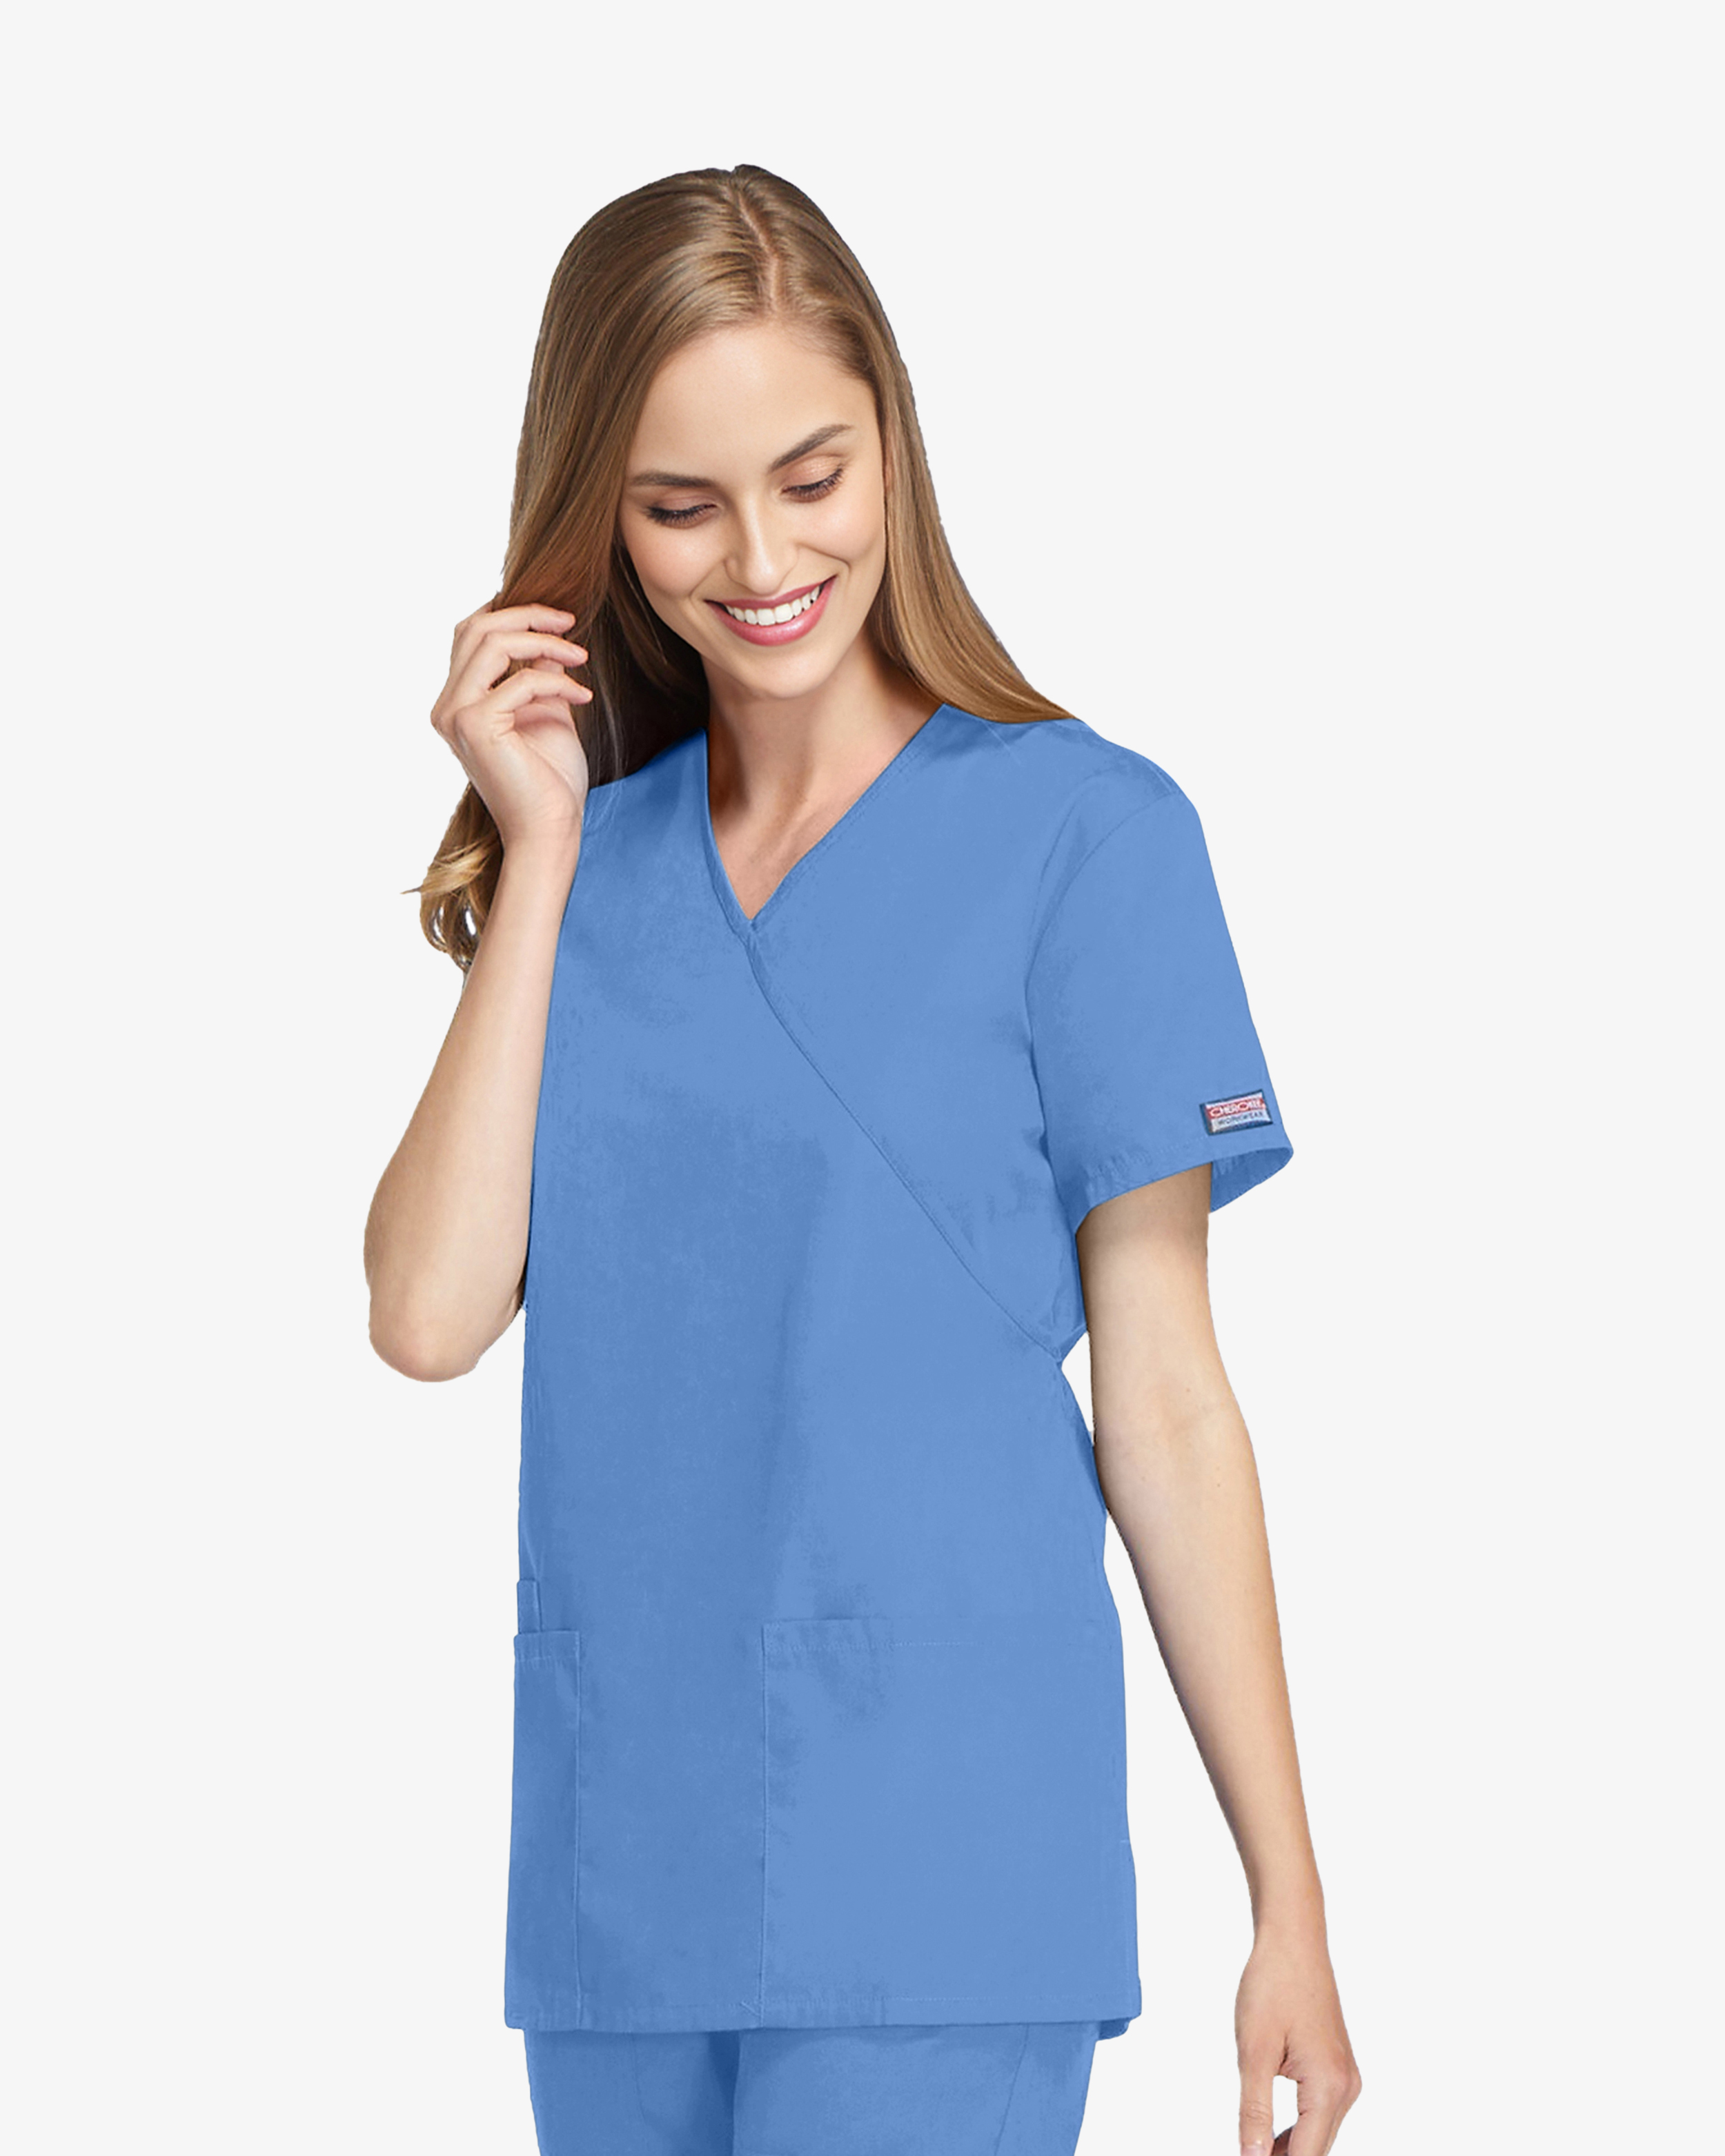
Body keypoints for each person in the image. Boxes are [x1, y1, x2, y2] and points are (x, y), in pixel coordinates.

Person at [364, 164, 1362, 2156]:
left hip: (944, 1855)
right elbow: (426, 1316)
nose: (762, 558)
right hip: (626, 1869)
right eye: (680, 505)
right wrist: (538, 853)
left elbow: (1166, 1399)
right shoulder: (589, 871)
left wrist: (1289, 1900)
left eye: (811, 476)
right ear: (595, 517)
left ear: (891, 439)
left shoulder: (1086, 837)